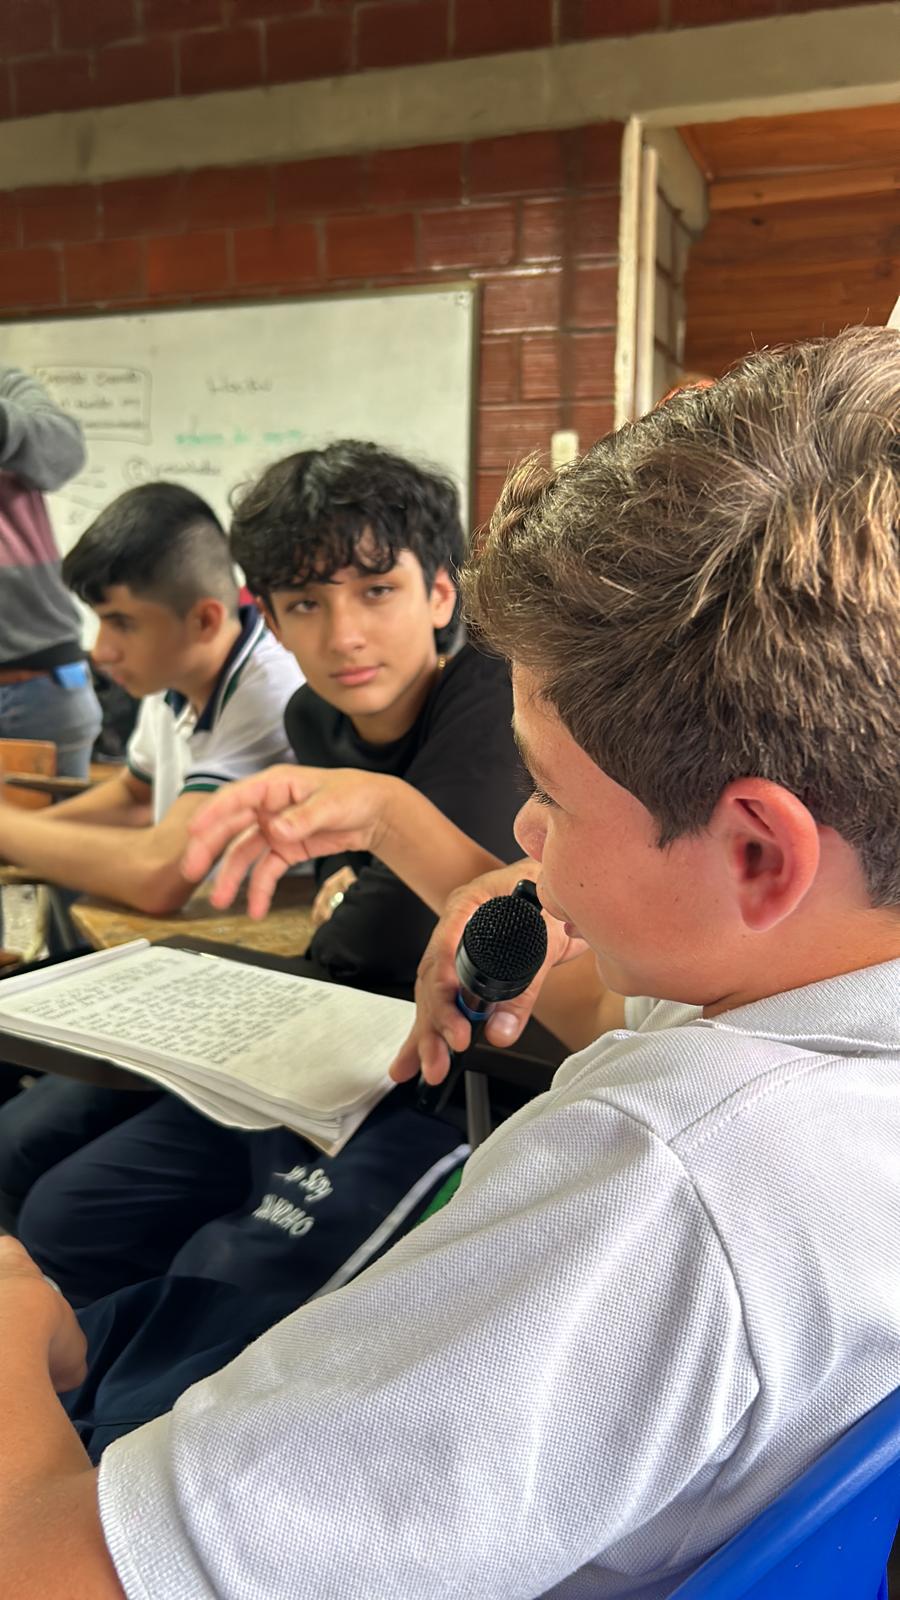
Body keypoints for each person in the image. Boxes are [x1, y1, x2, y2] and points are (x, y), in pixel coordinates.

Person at [2, 326, 900, 1600]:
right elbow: (619, 1007)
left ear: (760, 853)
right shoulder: (821, 1028)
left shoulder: (658, 1183)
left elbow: (65, 1575)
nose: (523, 836)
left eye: (549, 798)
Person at [11, 442, 527, 1307]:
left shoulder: (491, 696)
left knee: (187, 1259)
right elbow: (359, 908)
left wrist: (366, 890)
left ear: (441, 593)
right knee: (59, 1195)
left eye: (377, 591)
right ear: (275, 624)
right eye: (306, 604)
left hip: (440, 1074)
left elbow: (393, 929)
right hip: (324, 1031)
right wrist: (365, 890)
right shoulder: (311, 718)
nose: (344, 635)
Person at [0, 480, 302, 1227]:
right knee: (14, 1140)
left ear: (205, 618)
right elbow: (134, 794)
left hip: (246, 1006)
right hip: (180, 971)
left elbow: (162, 874)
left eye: (120, 623)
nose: (101, 650)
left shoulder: (269, 691)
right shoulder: (174, 681)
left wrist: (7, 830)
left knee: (34, 1173)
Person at [0, 362, 102, 777]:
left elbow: (66, 449)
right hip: (40, 684)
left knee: (61, 819)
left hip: (38, 683)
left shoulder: (6, 385)